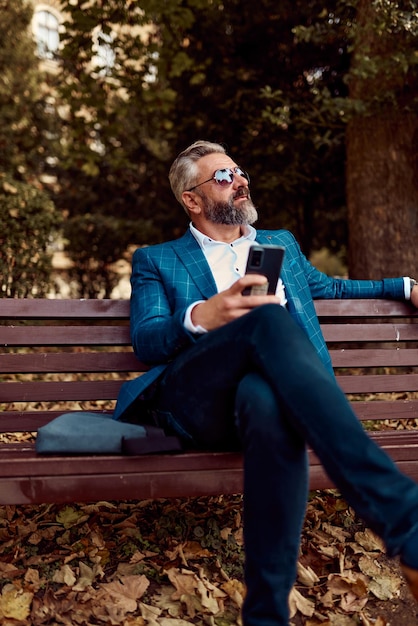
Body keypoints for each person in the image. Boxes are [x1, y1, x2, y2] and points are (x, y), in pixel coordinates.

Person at [114, 140, 418, 625]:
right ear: (192, 199)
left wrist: (404, 286)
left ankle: (266, 615)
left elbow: (333, 288)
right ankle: (406, 521)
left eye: (239, 171)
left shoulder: (281, 245)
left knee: (267, 401)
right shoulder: (158, 259)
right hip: (199, 403)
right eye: (222, 176)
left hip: (264, 403)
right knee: (264, 318)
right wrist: (201, 315)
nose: (239, 180)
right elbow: (148, 338)